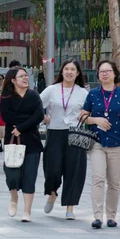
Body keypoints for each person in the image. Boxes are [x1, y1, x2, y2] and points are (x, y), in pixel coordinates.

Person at [40, 59, 89, 220]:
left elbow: (90, 112)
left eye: (72, 69)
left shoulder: (83, 92)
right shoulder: (52, 90)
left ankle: (70, 208)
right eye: (66, 69)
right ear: (61, 72)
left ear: (77, 73)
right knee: (52, 168)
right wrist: (45, 118)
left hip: (76, 133)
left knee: (75, 171)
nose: (69, 72)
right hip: (55, 132)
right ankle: (52, 193)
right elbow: (35, 105)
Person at [0, 68, 44, 222]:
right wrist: (25, 120)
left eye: (26, 75)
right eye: (22, 76)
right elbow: (7, 117)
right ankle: (13, 198)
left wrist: (21, 127)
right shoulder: (6, 97)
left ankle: (27, 211)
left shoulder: (34, 95)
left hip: (31, 139)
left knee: (29, 176)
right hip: (12, 140)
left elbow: (39, 115)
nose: (26, 78)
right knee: (12, 173)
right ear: (13, 80)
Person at [81, 60, 120, 229]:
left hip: (117, 143)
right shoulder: (93, 94)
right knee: (98, 178)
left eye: (108, 71)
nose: (104, 74)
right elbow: (82, 116)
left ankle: (111, 216)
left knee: (114, 182)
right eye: (101, 71)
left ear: (114, 73)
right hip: (96, 142)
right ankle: (97, 216)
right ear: (98, 75)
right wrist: (96, 119)